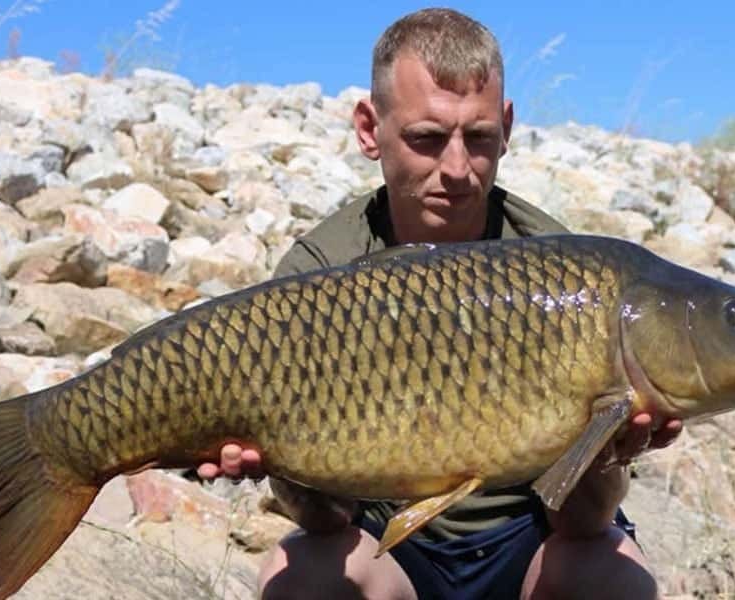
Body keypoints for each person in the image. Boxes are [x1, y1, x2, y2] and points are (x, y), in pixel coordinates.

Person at [198, 8, 683, 599]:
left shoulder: (575, 278)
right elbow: (326, 521)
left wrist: (606, 453)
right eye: (427, 139)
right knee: (301, 576)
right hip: (388, 544)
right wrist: (273, 459)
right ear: (370, 129)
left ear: (506, 127)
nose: (456, 169)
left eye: (478, 138)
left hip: (527, 538)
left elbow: (582, 524)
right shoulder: (319, 274)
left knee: (611, 575)